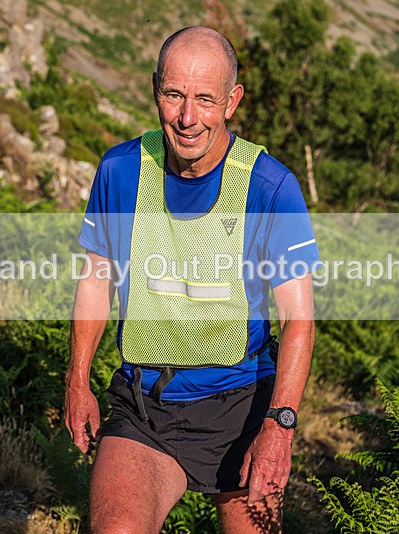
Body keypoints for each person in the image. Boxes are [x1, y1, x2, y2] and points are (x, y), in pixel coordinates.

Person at [65, 26, 317, 533]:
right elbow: (96, 279)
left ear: (232, 101)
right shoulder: (120, 169)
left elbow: (299, 321)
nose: (187, 117)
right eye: (174, 94)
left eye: (205, 99)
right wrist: (77, 379)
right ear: (155, 88)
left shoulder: (271, 186)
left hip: (243, 407)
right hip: (145, 404)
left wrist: (280, 425)